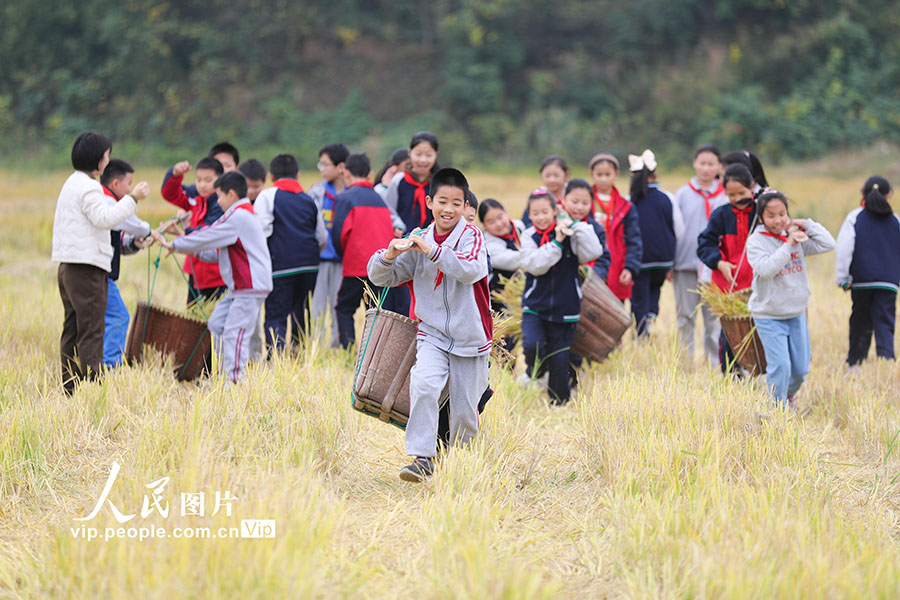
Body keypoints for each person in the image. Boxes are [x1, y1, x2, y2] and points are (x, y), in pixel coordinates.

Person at [367, 168, 491, 482]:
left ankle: (462, 467)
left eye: (456, 203)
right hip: (432, 334)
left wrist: (433, 251)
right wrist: (388, 255)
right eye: (442, 201)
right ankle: (423, 458)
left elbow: (469, 269)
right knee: (423, 385)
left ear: (465, 207)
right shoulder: (418, 237)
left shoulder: (472, 237)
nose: (448, 209)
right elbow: (384, 278)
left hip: (470, 337)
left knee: (465, 411)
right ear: (429, 202)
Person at [51, 131, 150, 393]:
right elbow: (105, 218)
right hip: (86, 268)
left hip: (68, 267)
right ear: (97, 159)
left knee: (72, 330)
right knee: (92, 330)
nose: (108, 160)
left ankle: (71, 388)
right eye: (106, 155)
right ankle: (93, 390)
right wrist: (133, 199)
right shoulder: (89, 187)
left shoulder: (72, 183)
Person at [160, 172, 272, 383]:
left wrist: (177, 244)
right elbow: (215, 249)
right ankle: (222, 377)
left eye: (219, 196)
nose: (217, 201)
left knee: (235, 332)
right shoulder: (242, 214)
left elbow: (209, 234)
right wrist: (184, 241)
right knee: (217, 324)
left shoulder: (238, 215)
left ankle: (234, 382)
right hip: (239, 287)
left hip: (249, 286)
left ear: (231, 194)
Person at [746, 190, 835, 408]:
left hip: (796, 312)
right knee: (781, 367)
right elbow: (766, 269)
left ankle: (787, 395)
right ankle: (776, 412)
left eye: (782, 214)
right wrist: (787, 245)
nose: (778, 220)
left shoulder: (795, 233)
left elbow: (828, 243)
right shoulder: (756, 242)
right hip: (768, 315)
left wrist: (805, 223)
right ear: (760, 218)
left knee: (800, 369)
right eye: (771, 216)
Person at [519, 189, 602, 405]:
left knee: (560, 359)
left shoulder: (571, 235)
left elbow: (594, 251)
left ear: (555, 211)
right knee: (532, 346)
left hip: (566, 309)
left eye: (545, 212)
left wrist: (573, 224)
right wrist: (556, 244)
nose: (540, 217)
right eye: (535, 213)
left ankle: (560, 403)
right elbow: (534, 265)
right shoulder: (528, 236)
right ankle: (535, 371)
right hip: (535, 307)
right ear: (529, 214)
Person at [254, 153, 327, 352]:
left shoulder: (267, 196)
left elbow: (261, 231)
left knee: (276, 314)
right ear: (298, 174)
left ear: (271, 176)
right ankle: (300, 355)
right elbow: (322, 237)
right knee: (301, 312)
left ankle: (275, 359)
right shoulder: (308, 200)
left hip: (280, 265)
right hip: (310, 266)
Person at [698, 163, 759, 372]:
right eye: (731, 194)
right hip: (729, 290)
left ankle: (760, 374)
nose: (736, 198)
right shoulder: (721, 215)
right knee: (729, 335)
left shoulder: (761, 212)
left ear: (752, 187)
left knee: (760, 333)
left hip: (758, 287)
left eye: (741, 192)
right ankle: (732, 376)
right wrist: (719, 263)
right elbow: (704, 244)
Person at [330, 152, 395, 348]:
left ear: (346, 173)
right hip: (380, 267)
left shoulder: (345, 198)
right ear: (369, 174)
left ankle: (348, 349)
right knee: (376, 312)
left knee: (344, 308)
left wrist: (344, 255)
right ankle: (372, 352)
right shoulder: (380, 199)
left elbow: (338, 234)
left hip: (355, 265)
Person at [835, 176, 900, 366]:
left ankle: (855, 362)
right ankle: (886, 361)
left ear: (862, 194)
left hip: (861, 281)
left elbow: (844, 249)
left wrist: (843, 278)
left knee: (860, 321)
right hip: (888, 282)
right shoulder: (896, 221)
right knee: (885, 321)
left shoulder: (854, 217)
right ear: (888, 195)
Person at [673, 144, 726, 365]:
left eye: (711, 164)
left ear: (719, 166)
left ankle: (714, 363)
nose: (706, 168)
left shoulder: (725, 195)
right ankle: (686, 362)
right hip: (685, 263)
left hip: (715, 267)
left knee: (714, 318)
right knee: (685, 316)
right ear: (694, 163)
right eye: (702, 163)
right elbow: (673, 230)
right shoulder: (683, 194)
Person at [99, 159, 153, 367]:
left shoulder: (103, 201)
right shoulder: (110, 203)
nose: (130, 188)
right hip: (102, 274)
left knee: (100, 319)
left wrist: (134, 243)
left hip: (99, 273)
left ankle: (98, 363)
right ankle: (110, 364)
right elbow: (136, 225)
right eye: (129, 183)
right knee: (119, 316)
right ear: (115, 184)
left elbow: (118, 239)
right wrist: (150, 232)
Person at [382, 131, 441, 317]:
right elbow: (389, 208)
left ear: (436, 155)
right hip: (403, 245)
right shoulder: (400, 180)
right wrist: (397, 224)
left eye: (428, 155)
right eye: (418, 154)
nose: (423, 160)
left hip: (430, 247)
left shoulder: (440, 182)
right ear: (410, 153)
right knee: (400, 297)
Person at [627, 149, 682, 337]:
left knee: (639, 296)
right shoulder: (667, 197)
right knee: (654, 291)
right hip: (663, 259)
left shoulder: (630, 201)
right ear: (655, 174)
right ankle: (650, 321)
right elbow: (679, 229)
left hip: (639, 260)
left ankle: (641, 332)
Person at [161, 156, 227, 304]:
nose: (202, 185)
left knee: (215, 319)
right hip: (196, 270)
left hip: (217, 273)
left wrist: (183, 232)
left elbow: (207, 233)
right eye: (198, 180)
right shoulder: (195, 196)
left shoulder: (222, 204)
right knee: (194, 318)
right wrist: (175, 174)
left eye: (208, 180)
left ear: (220, 180)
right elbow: (169, 193)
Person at [309, 143, 350, 347]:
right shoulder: (317, 192)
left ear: (341, 166)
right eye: (321, 164)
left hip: (343, 260)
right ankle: (315, 347)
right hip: (320, 259)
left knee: (337, 305)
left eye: (325, 164)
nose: (322, 169)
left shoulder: (352, 193)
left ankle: (337, 346)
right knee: (316, 306)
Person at [588, 153, 642, 302]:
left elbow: (634, 240)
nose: (603, 178)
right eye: (599, 174)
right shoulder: (583, 202)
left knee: (614, 315)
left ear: (616, 174)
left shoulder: (626, 206)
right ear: (591, 174)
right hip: (589, 263)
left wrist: (630, 267)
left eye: (608, 174)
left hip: (617, 265)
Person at [522, 155, 570, 227]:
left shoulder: (572, 193)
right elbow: (526, 222)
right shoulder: (537, 195)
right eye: (547, 176)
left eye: (556, 175)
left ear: (566, 175)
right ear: (541, 176)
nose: (551, 180)